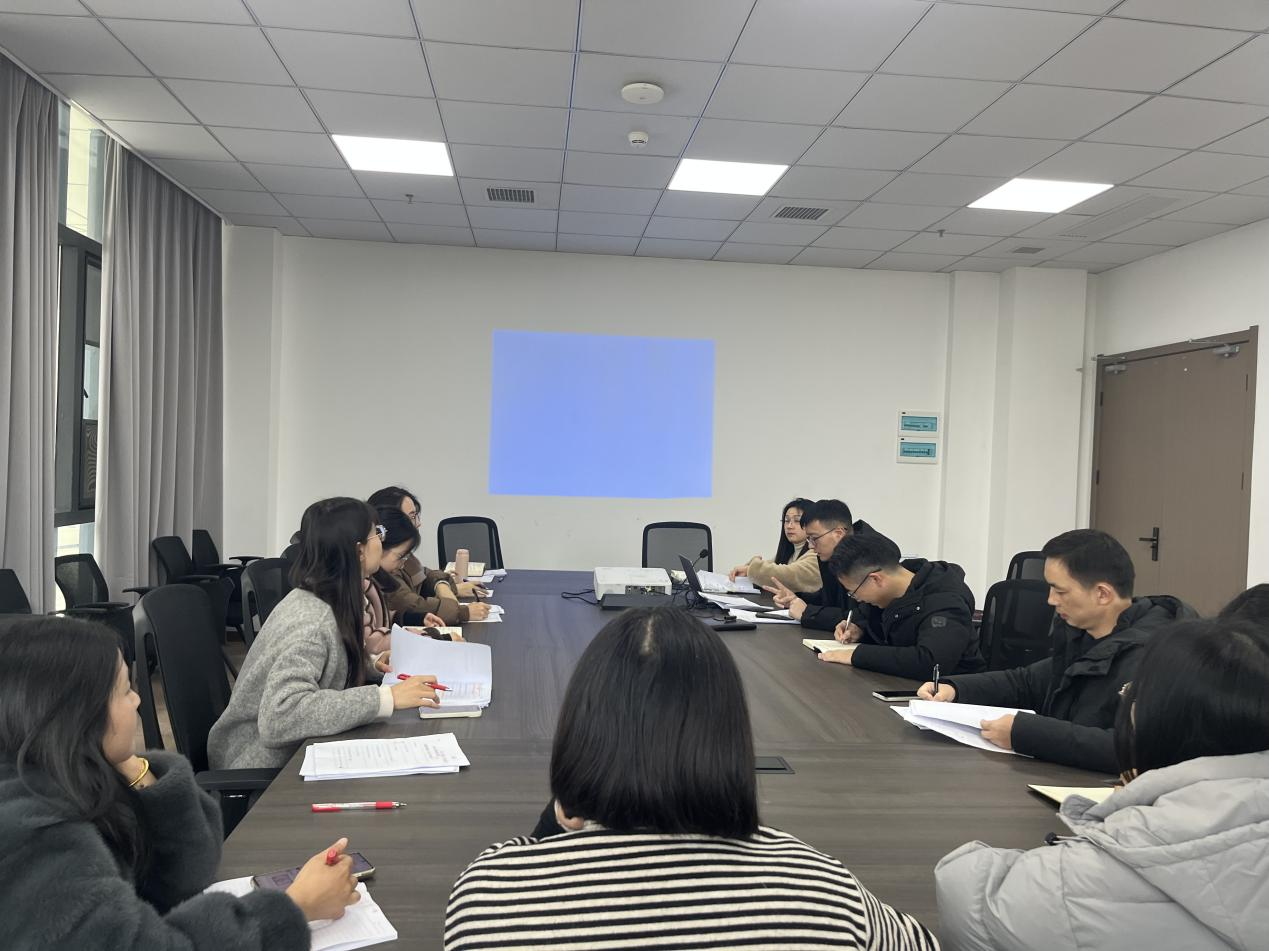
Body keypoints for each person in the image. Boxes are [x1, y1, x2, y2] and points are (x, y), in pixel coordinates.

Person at [443, 607, 939, 951]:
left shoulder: (491, 894)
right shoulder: (821, 889)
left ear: (581, 730)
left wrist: (560, 813)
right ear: (729, 733)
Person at [0, 615, 362, 949]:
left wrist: (140, 773)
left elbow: (184, 881)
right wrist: (294, 907)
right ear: (77, 715)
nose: (137, 700)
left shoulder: (74, 778)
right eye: (125, 690)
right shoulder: (35, 841)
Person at [935, 616, 1269, 950]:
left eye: (1132, 696)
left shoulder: (1113, 862)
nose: (1051, 602)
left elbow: (969, 896)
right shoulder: (1081, 645)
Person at [916, 529, 1195, 772]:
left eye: (1060, 591)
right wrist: (954, 689)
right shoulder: (1084, 635)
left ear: (1102, 594)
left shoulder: (1158, 656)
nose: (1050, 600)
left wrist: (1025, 733)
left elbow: (1132, 748)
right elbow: (1027, 682)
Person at [209, 497, 441, 770]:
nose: (382, 539)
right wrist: (386, 698)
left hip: (301, 752)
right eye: (377, 533)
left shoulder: (332, 599)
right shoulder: (312, 621)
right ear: (359, 551)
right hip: (259, 767)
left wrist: (370, 664)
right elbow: (280, 716)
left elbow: (323, 667)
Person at [817, 531, 985, 680]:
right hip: (898, 683)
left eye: (854, 592)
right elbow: (867, 618)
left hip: (949, 696)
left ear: (876, 579)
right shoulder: (890, 594)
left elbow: (930, 662)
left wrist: (856, 655)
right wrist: (858, 629)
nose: (857, 599)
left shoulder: (945, 601)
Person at [367, 486, 490, 623]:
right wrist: (462, 612)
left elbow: (425, 575)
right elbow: (411, 605)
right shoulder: (381, 572)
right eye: (411, 517)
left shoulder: (400, 558)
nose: (418, 523)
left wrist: (442, 585)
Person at [764, 499, 879, 633]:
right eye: (808, 539)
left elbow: (862, 618)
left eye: (814, 538)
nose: (810, 546)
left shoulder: (870, 558)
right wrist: (796, 598)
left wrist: (807, 613)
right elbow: (829, 599)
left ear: (838, 534)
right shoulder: (834, 553)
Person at [364, 506, 447, 653]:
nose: (417, 523)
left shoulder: (371, 581)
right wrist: (438, 638)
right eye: (377, 535)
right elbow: (372, 644)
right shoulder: (354, 589)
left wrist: (415, 619)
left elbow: (381, 619)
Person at [728, 497, 822, 593]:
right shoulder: (789, 553)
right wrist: (747, 572)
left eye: (797, 521)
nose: (789, 526)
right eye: (786, 521)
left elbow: (787, 575)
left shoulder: (817, 553)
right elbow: (770, 569)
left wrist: (751, 570)